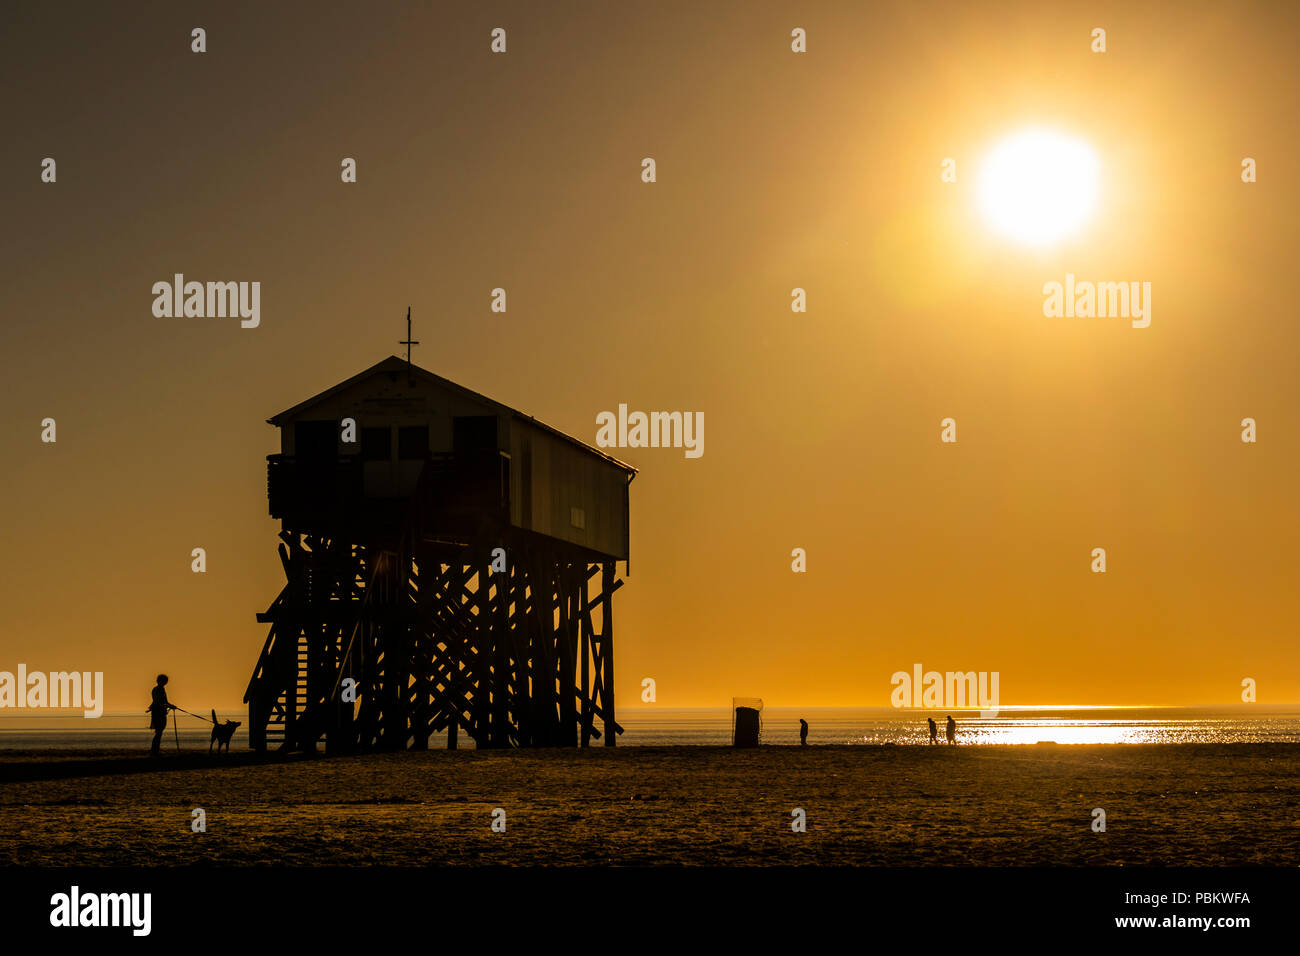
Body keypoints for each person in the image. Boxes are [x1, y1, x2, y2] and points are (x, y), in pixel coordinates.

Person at [147, 674, 176, 756]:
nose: (165, 683)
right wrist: (170, 706)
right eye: (164, 681)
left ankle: (155, 750)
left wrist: (170, 705)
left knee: (159, 732)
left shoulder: (160, 689)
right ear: (159, 681)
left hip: (160, 712)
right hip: (158, 713)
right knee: (159, 732)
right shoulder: (158, 690)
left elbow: (164, 702)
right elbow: (160, 702)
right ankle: (154, 751)